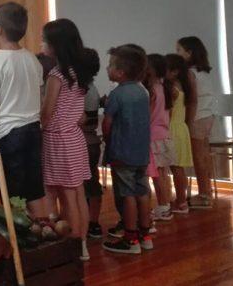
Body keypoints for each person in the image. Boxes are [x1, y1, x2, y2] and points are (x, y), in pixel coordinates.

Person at [0, 2, 50, 227]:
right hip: (33, 131)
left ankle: (21, 244)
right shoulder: (32, 59)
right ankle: (44, 235)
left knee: (13, 195)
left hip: (9, 136)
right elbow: (38, 95)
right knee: (34, 190)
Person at [40, 18, 93, 261]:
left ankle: (73, 246)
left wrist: (38, 117)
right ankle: (81, 244)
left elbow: (47, 112)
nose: (42, 44)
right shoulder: (78, 72)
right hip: (74, 138)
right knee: (78, 194)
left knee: (67, 197)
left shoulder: (56, 75)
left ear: (56, 45)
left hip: (58, 140)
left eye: (45, 40)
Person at [101, 45, 152, 254]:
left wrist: (107, 140)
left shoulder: (117, 94)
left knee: (127, 194)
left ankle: (130, 238)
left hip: (122, 152)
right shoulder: (142, 92)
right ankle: (145, 234)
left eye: (110, 65)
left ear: (120, 72)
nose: (107, 68)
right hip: (141, 152)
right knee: (142, 191)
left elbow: (107, 123)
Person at [177, 36, 215, 209]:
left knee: (199, 157)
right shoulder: (204, 71)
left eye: (179, 50)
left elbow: (192, 100)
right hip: (208, 116)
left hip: (197, 117)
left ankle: (204, 195)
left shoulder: (190, 73)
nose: (177, 54)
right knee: (205, 156)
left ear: (189, 52)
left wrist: (187, 122)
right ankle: (207, 191)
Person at [145, 54, 175, 221]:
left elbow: (147, 115)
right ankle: (165, 205)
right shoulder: (165, 89)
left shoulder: (151, 91)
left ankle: (162, 206)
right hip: (164, 134)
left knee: (155, 174)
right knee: (163, 172)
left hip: (153, 136)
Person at [165, 53, 194, 213]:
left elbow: (167, 114)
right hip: (181, 128)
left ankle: (181, 201)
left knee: (175, 169)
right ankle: (181, 200)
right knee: (179, 169)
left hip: (172, 129)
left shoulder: (172, 89)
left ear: (174, 71)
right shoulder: (183, 86)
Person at [80, 48, 104, 239]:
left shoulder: (84, 90)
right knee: (92, 182)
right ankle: (92, 222)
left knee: (85, 184)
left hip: (83, 142)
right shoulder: (92, 88)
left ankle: (89, 221)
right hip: (92, 142)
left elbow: (82, 119)